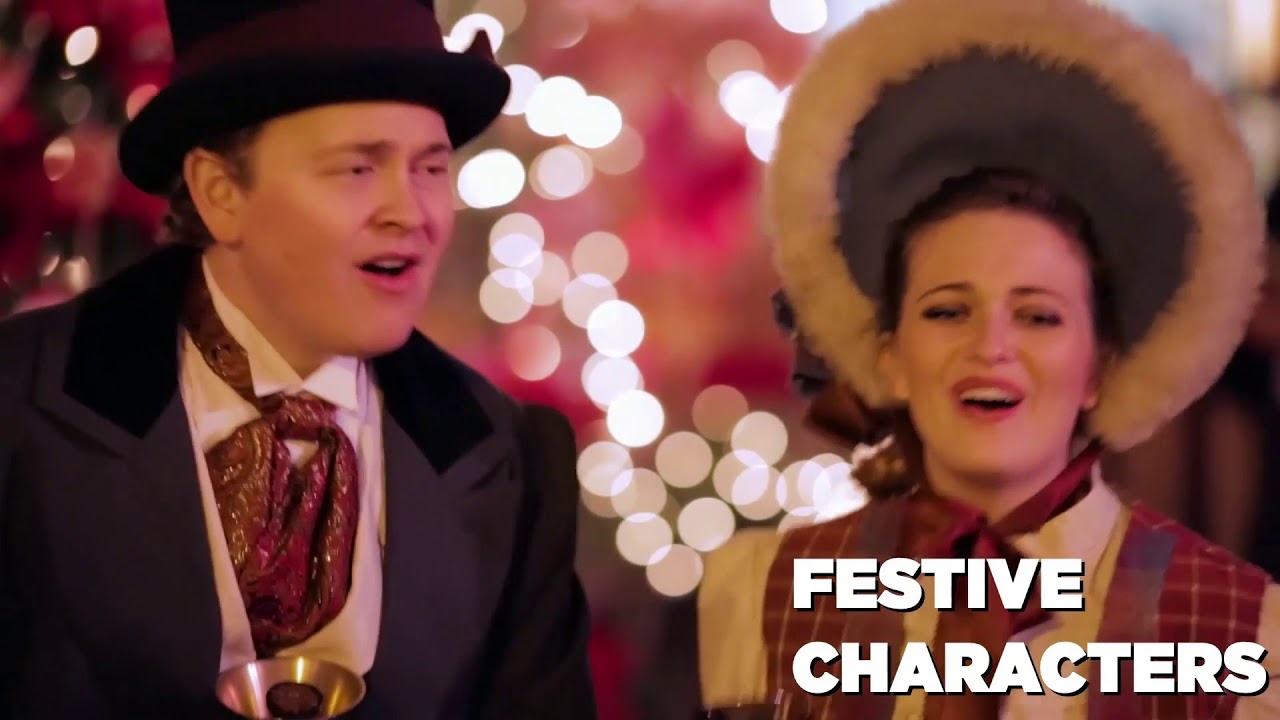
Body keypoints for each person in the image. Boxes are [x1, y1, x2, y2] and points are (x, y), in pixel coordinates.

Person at [0, 1, 597, 718]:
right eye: (357, 168)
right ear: (220, 193)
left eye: (431, 168)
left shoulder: (512, 459)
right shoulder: (18, 406)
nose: (410, 212)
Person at [696, 0, 1280, 718]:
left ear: (1100, 367)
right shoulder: (762, 591)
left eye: (1038, 316)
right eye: (947, 311)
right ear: (891, 355)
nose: (991, 346)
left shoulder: (1241, 626)